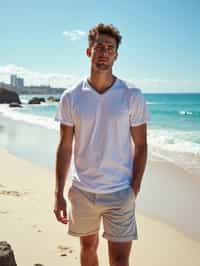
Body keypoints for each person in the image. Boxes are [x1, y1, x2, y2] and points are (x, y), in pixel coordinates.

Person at [54, 23, 149, 266]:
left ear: (116, 56)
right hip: (83, 190)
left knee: (119, 260)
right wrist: (58, 194)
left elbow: (141, 145)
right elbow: (65, 146)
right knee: (88, 248)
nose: (104, 52)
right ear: (89, 52)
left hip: (120, 191)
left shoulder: (132, 95)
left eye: (110, 48)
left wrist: (134, 186)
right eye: (99, 47)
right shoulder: (71, 96)